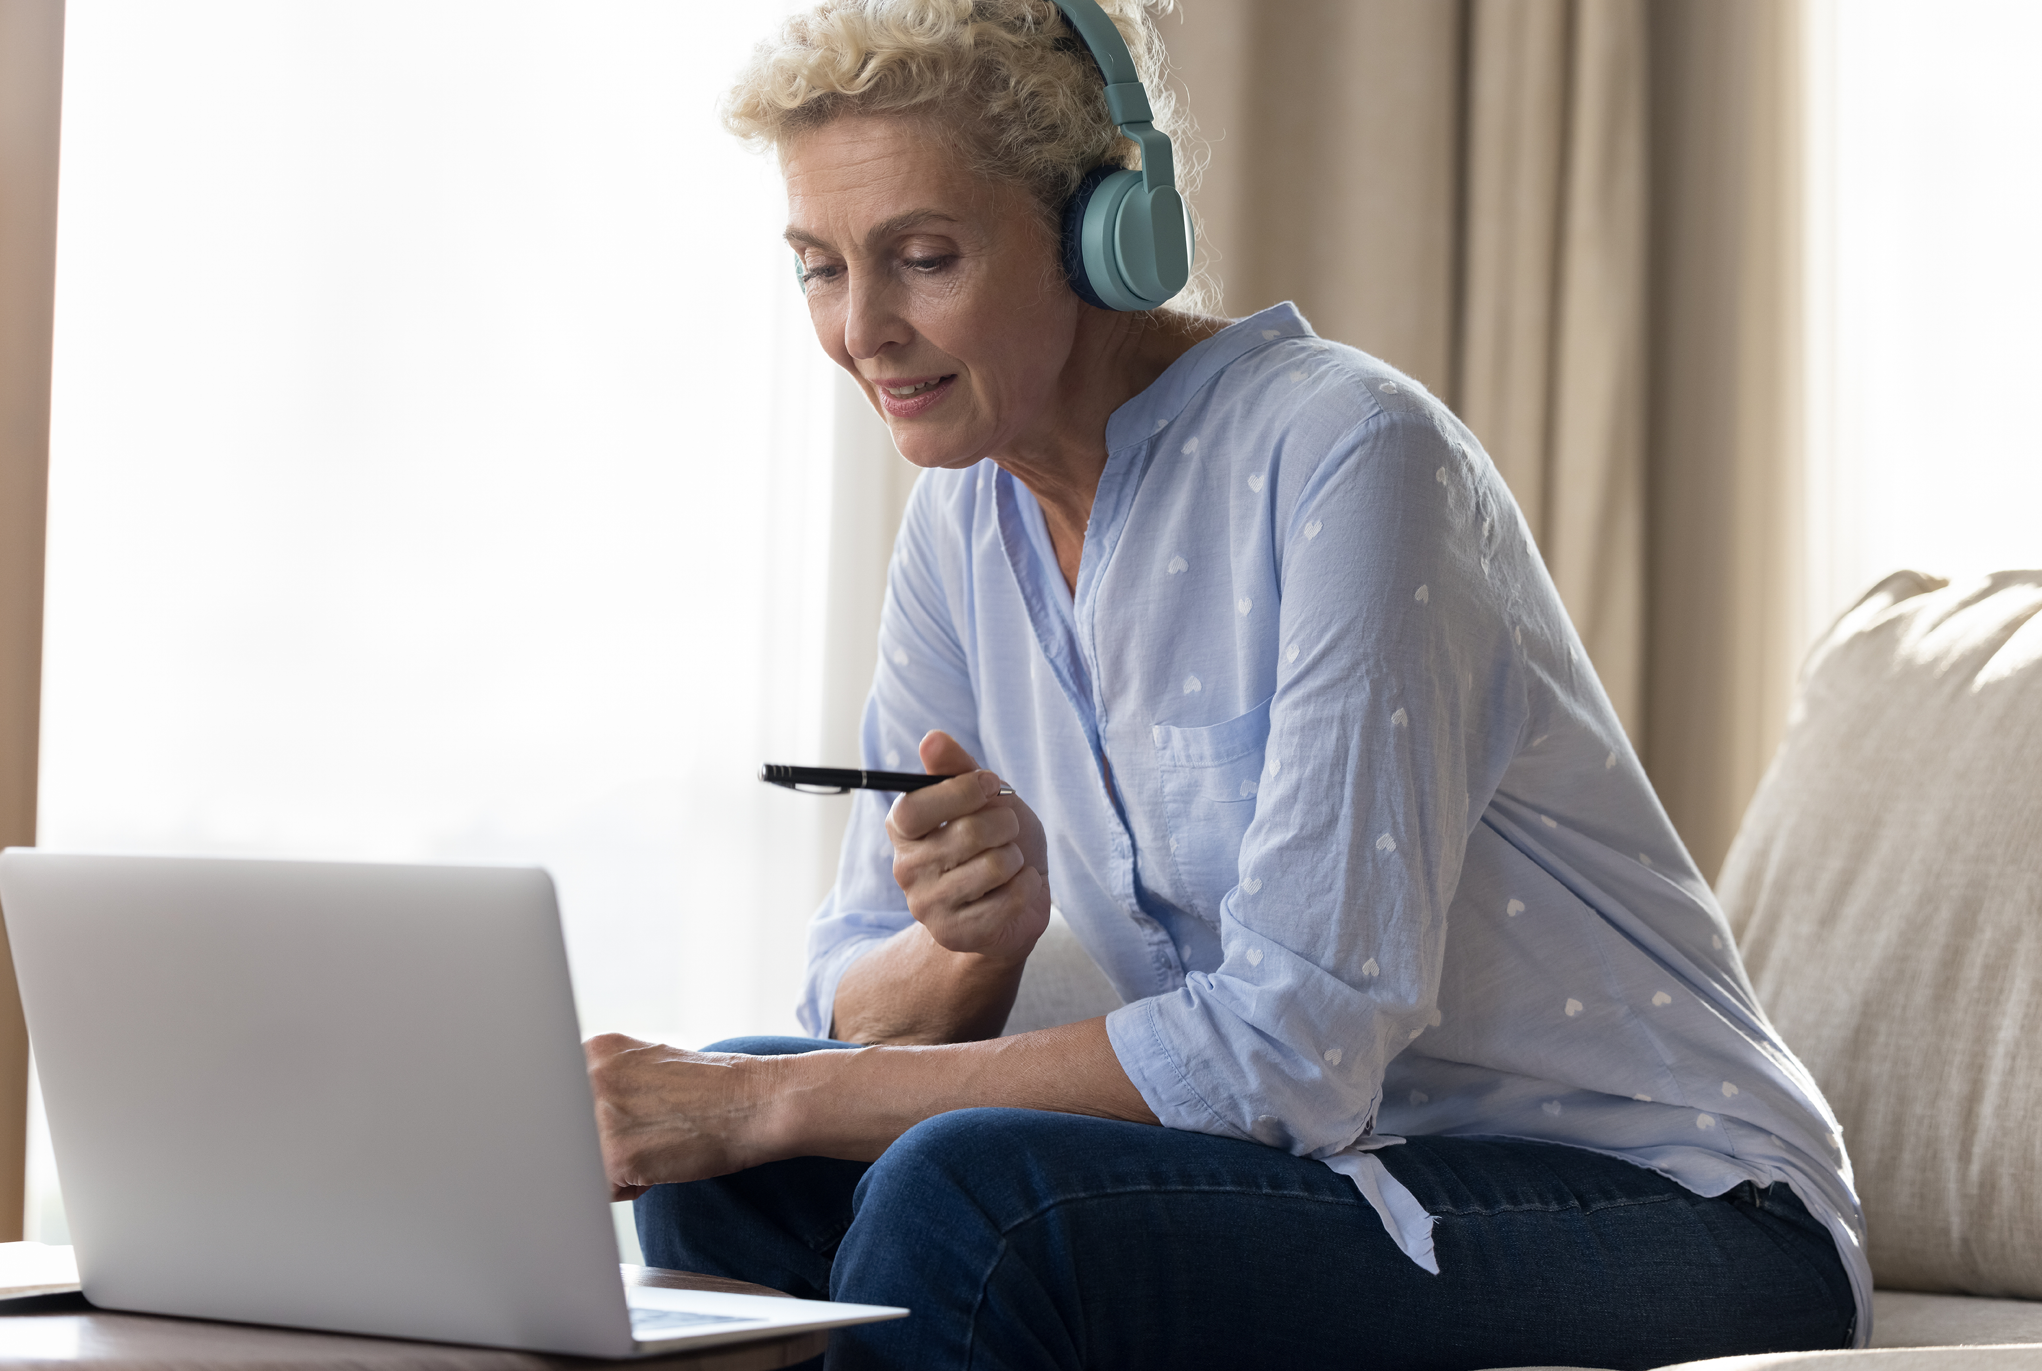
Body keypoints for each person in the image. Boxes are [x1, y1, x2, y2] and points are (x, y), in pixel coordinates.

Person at [583, 2, 1869, 1367]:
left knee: (961, 1192)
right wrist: (968, 950)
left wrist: (768, 1103)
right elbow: (850, 1001)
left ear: (1102, 232)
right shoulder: (962, 526)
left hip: (1672, 1206)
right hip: (1333, 1173)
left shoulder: (1350, 456)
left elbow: (1292, 1051)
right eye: (819, 269)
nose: (864, 330)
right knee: (725, 1158)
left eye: (922, 258)